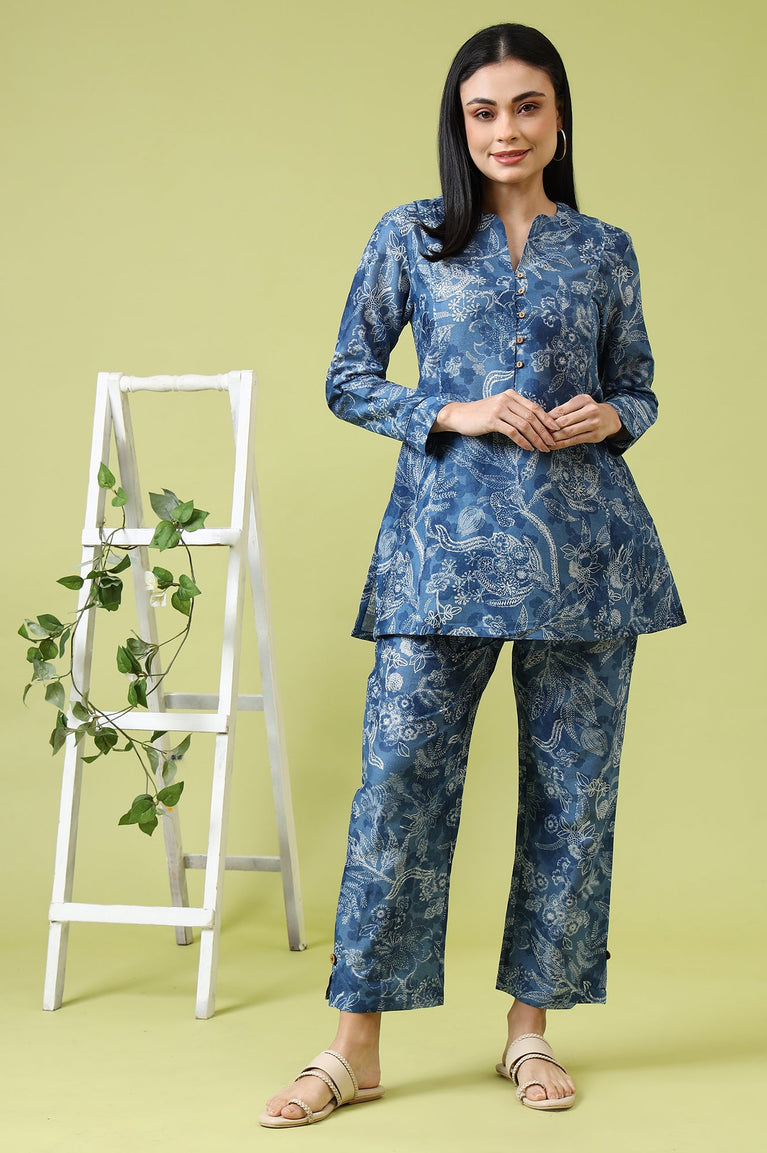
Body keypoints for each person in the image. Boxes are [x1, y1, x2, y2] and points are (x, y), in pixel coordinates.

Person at [260, 22, 684, 1127]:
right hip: (438, 556)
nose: (505, 129)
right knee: (397, 781)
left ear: (558, 117)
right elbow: (348, 377)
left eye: (526, 106)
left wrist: (611, 415)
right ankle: (353, 1046)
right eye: (483, 111)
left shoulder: (602, 248)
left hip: (587, 561)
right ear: (460, 124)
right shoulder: (409, 236)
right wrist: (454, 409)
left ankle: (529, 1029)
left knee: (572, 794)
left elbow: (638, 385)